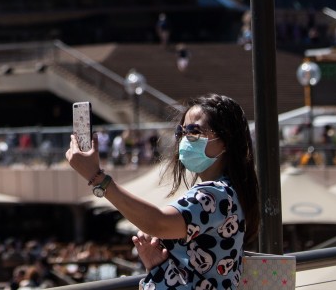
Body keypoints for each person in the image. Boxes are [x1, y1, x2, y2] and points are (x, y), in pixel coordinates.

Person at [66, 93, 259, 289]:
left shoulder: (215, 194)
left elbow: (157, 222)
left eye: (193, 131)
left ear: (225, 139)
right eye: (180, 132)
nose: (184, 139)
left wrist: (98, 178)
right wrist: (161, 265)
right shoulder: (227, 191)